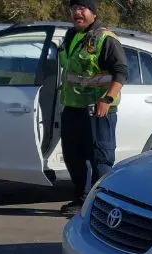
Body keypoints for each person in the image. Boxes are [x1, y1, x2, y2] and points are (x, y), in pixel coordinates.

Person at [57, 0, 128, 214]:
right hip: (73, 108)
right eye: (74, 9)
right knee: (73, 157)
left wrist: (107, 100)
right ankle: (82, 199)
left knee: (100, 159)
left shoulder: (105, 39)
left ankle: (102, 206)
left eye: (82, 8)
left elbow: (121, 72)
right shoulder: (70, 37)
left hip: (98, 110)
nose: (77, 12)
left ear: (94, 14)